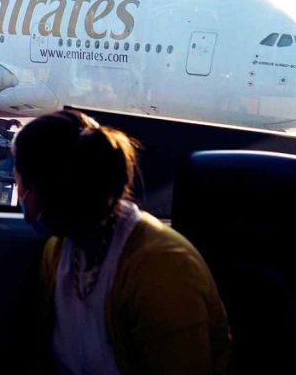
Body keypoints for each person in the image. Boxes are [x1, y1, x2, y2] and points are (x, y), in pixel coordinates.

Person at [14, 110, 231, 375]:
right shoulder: (59, 252)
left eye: (23, 184)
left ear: (49, 192)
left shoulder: (163, 270)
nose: (20, 194)